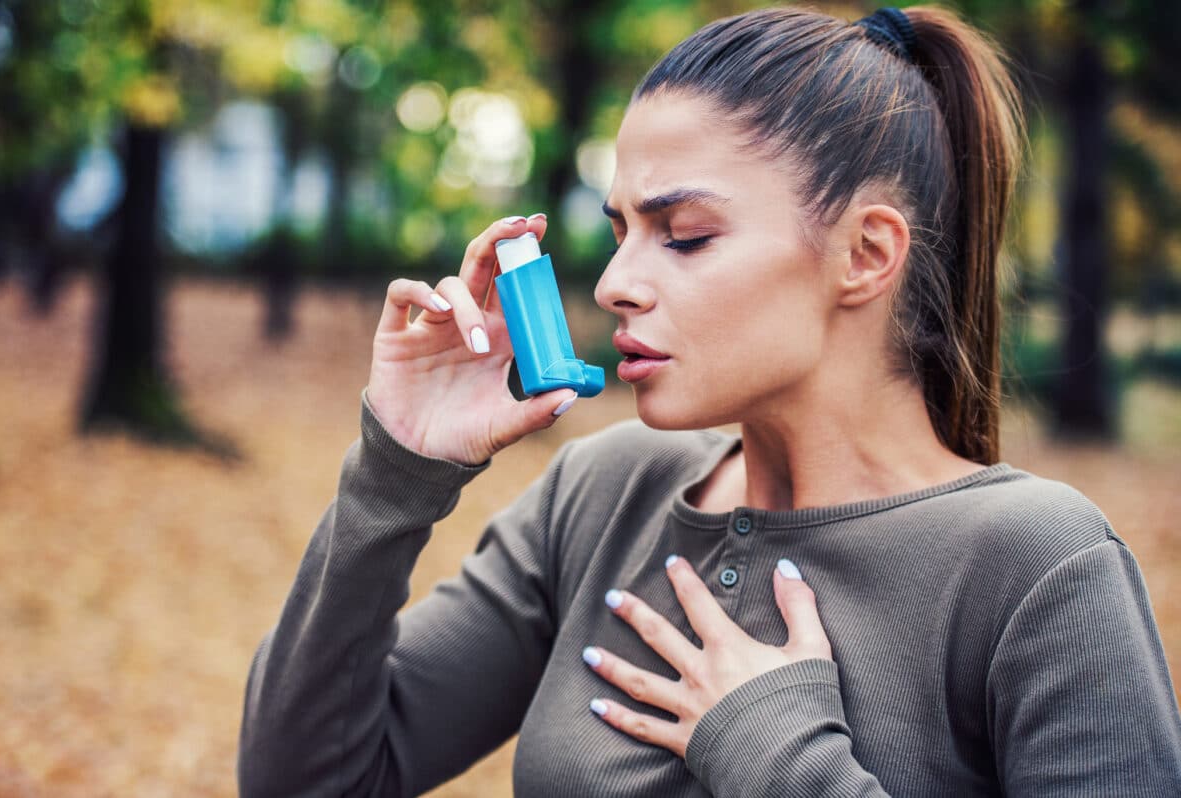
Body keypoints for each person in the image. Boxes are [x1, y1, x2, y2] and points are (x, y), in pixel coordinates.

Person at [237, 6, 1181, 796]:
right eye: (621, 231)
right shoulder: (603, 494)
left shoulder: (1038, 565)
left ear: (865, 254)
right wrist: (396, 471)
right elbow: (307, 778)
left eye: (683, 235)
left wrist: (780, 756)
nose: (614, 284)